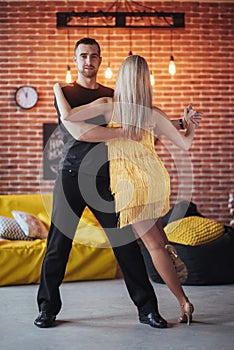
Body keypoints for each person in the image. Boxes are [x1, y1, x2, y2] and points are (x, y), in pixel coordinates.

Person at [54, 54, 203, 325]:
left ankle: (184, 302)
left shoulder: (109, 106)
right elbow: (185, 144)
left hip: (130, 183)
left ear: (121, 78)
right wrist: (189, 125)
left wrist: (56, 89)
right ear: (146, 81)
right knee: (159, 240)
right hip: (156, 179)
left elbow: (68, 117)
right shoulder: (154, 113)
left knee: (154, 246)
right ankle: (172, 269)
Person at [35, 37, 168, 329]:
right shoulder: (65, 94)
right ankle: (47, 309)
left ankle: (147, 309)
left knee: (126, 244)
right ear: (75, 59)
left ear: (100, 60)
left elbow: (143, 119)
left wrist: (179, 126)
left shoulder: (112, 94)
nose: (88, 61)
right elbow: (79, 132)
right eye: (83, 56)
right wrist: (121, 135)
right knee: (58, 245)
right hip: (70, 177)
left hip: (106, 180)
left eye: (94, 56)